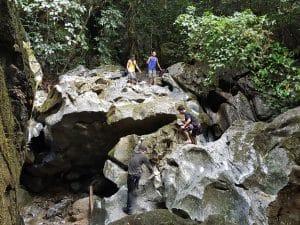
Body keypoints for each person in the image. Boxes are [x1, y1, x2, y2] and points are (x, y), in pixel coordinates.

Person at [123, 144, 153, 215]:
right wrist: (153, 172)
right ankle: (134, 194)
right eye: (145, 151)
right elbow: (149, 166)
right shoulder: (143, 157)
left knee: (130, 192)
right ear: (143, 151)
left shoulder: (134, 153)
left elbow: (137, 146)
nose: (145, 153)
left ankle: (129, 210)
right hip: (136, 176)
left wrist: (140, 142)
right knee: (133, 188)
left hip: (132, 176)